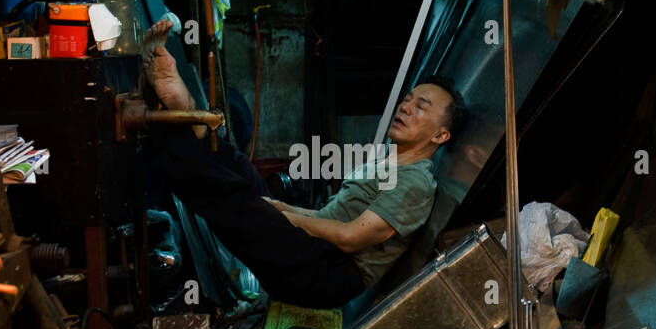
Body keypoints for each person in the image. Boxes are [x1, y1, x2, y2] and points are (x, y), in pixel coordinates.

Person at [143, 20, 467, 308]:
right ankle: (186, 115)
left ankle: (166, 139)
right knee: (242, 170)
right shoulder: (388, 163)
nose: (406, 107)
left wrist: (281, 215)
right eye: (407, 99)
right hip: (317, 254)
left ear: (440, 135)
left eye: (421, 106)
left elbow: (351, 237)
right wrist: (283, 211)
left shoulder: (415, 183)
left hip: (326, 277)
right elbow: (327, 218)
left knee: (241, 201)